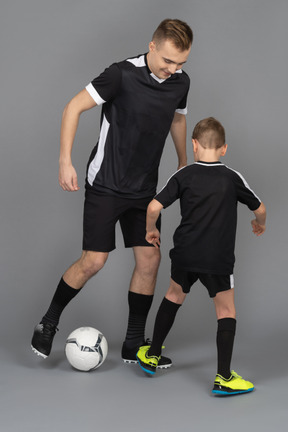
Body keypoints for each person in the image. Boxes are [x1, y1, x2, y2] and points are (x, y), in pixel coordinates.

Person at [31, 19, 193, 368]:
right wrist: (65, 160)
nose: (173, 69)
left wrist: (183, 160)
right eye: (167, 60)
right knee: (94, 261)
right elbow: (72, 107)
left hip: (145, 189)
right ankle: (48, 322)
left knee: (150, 260)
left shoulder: (180, 82)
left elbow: (177, 119)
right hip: (105, 184)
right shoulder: (121, 75)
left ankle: (133, 343)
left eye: (181, 63)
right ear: (152, 46)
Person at [136, 117, 266, 395]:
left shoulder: (183, 175)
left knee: (173, 295)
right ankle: (224, 377)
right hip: (217, 260)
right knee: (226, 311)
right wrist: (260, 224)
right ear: (224, 149)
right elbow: (260, 208)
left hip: (184, 255)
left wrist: (150, 231)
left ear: (194, 145)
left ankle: (153, 355)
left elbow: (153, 207)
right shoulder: (232, 177)